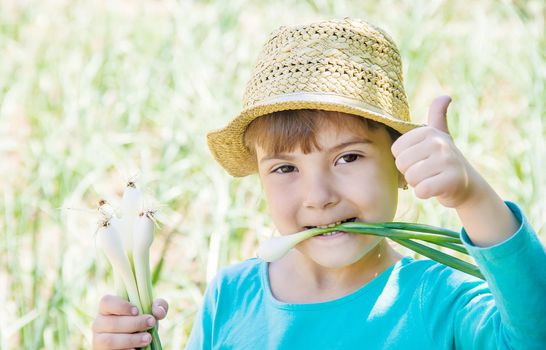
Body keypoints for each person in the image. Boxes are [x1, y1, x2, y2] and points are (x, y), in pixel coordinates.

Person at [91, 18, 546, 349]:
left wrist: (472, 196)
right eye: (285, 168)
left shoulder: (440, 297)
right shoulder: (231, 297)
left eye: (348, 157)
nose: (319, 197)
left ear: (402, 166)